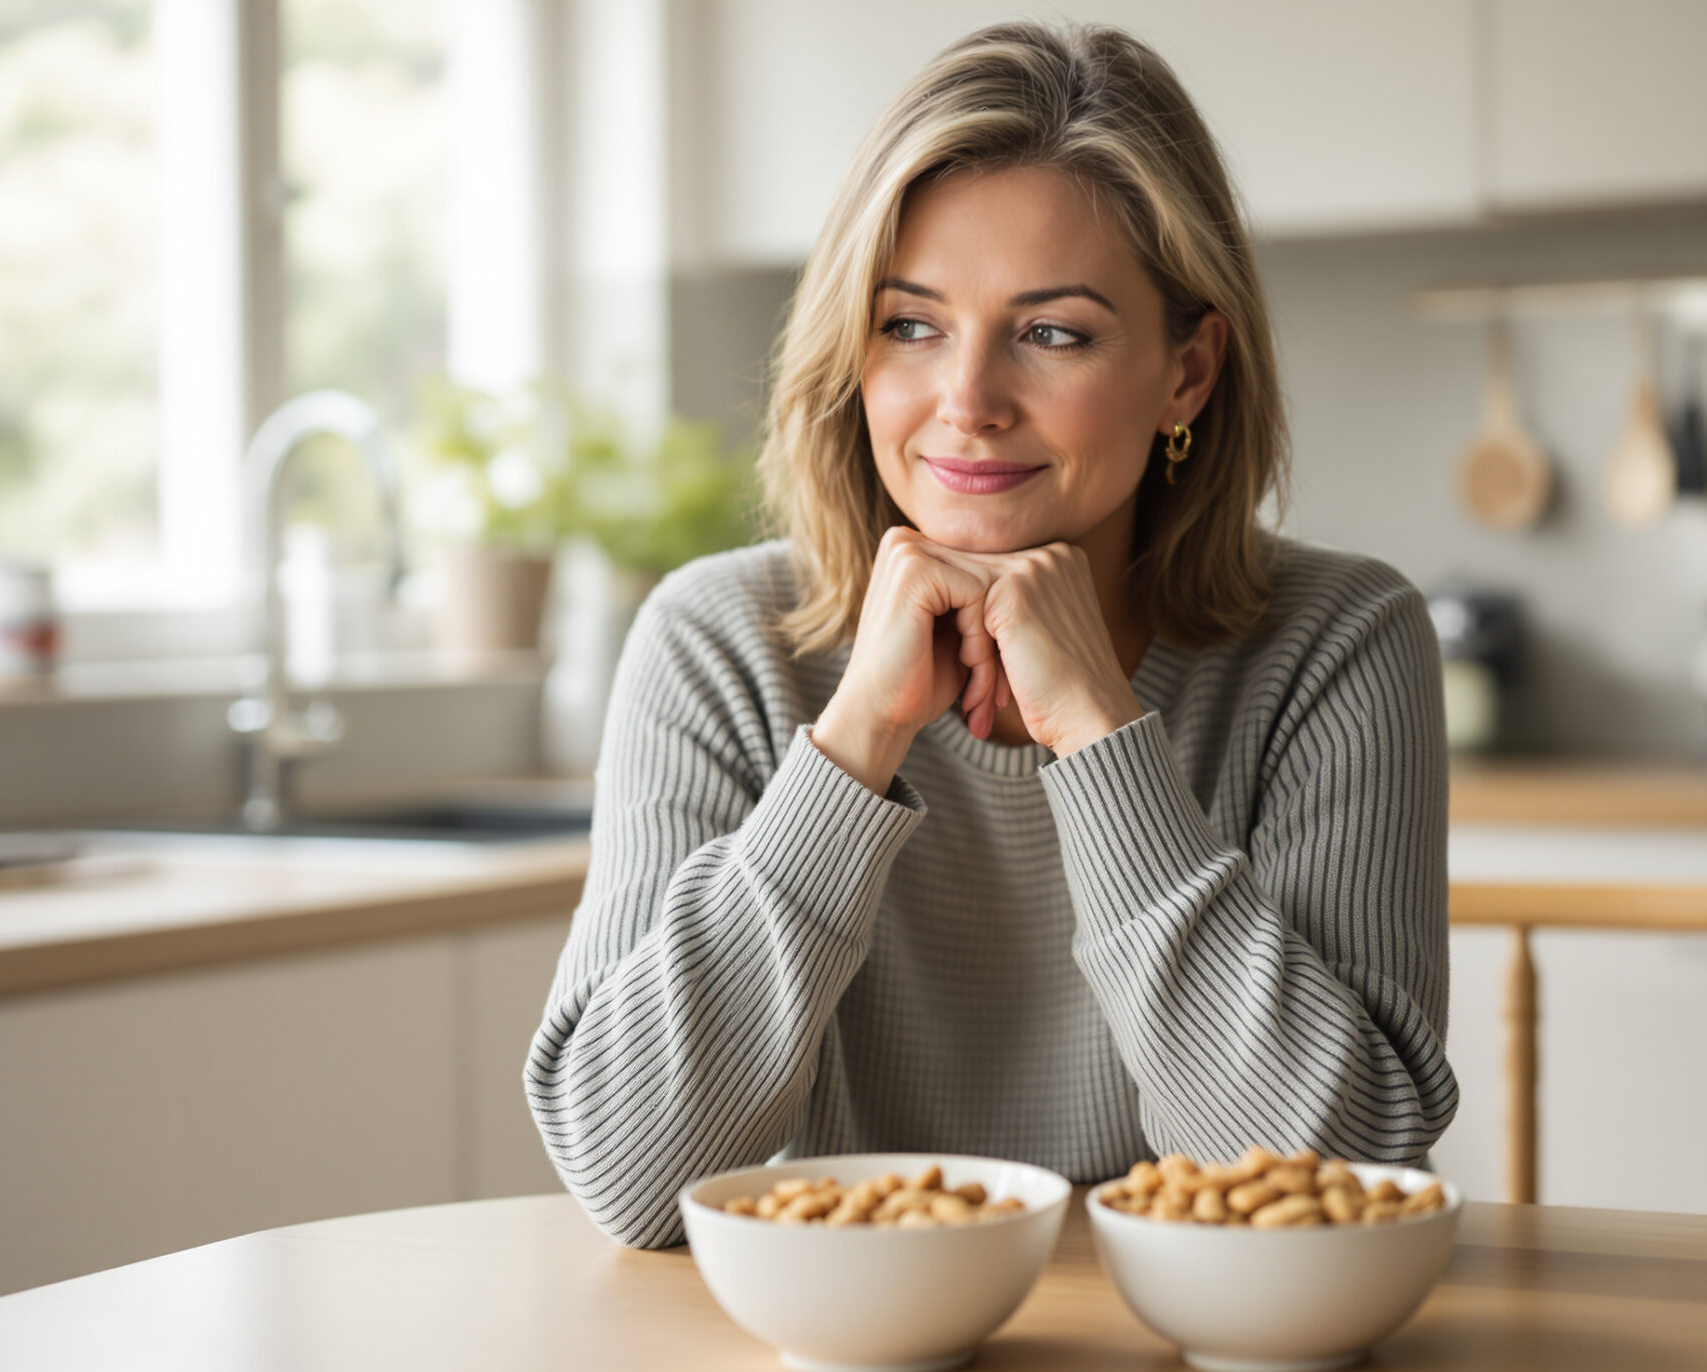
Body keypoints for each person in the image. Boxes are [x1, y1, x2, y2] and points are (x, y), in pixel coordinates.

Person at [526, 21, 1456, 1249]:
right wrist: (855, 737)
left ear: (1187, 372)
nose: (964, 400)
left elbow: (1326, 1184)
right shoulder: (716, 639)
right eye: (910, 324)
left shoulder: (1341, 643)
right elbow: (630, 1176)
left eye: (1052, 332)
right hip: (857, 1349)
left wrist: (1101, 738)